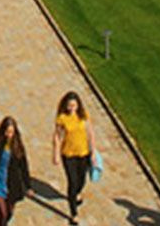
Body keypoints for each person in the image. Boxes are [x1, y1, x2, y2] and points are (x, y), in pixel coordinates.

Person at [52, 91, 100, 225]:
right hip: (68, 155)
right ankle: (73, 213)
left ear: (78, 105)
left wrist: (94, 152)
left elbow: (91, 133)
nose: (72, 108)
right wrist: (55, 154)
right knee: (72, 181)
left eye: (74, 105)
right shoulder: (62, 118)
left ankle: (77, 193)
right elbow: (57, 136)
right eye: (69, 105)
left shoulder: (83, 115)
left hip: (83, 153)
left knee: (81, 180)